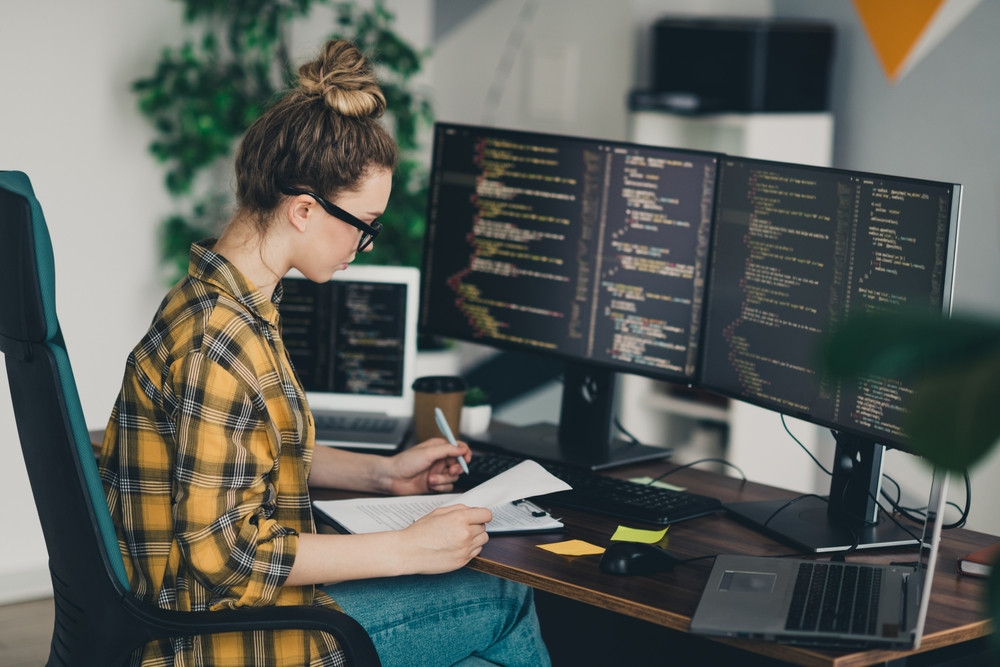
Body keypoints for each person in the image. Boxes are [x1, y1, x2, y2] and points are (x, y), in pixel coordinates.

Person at [99, 39, 551, 667]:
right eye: (366, 225)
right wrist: (407, 550)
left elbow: (244, 457)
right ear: (305, 210)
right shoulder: (225, 342)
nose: (365, 245)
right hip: (219, 642)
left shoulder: (211, 295)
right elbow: (224, 559)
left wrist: (382, 474)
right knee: (503, 598)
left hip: (185, 617)